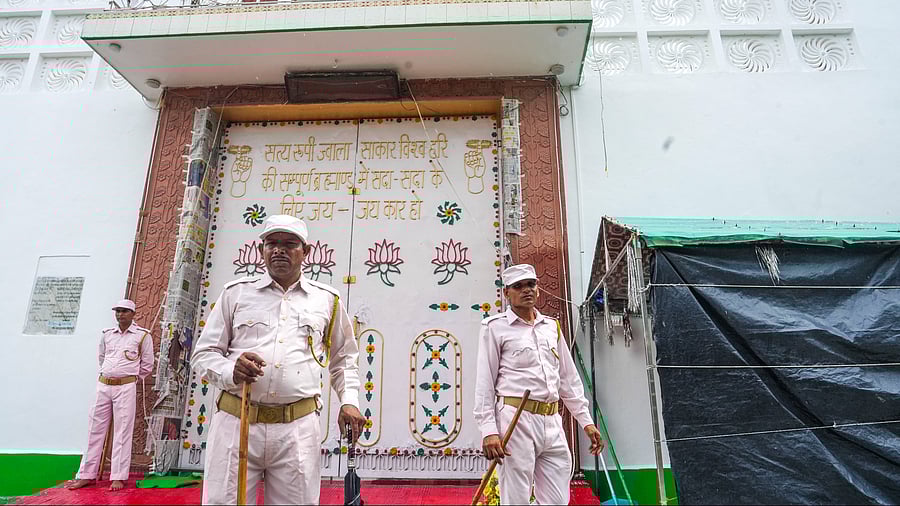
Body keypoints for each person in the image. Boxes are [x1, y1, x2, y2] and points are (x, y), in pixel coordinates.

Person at [192, 214, 366, 505]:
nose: (279, 250)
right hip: (237, 423)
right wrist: (230, 369)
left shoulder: (327, 300)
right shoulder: (235, 294)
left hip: (297, 430)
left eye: (289, 244)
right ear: (261, 250)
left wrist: (349, 401)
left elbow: (344, 359)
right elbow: (203, 355)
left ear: (306, 252)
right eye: (271, 243)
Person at [474, 264, 606, 505]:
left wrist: (586, 421)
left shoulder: (551, 327)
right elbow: (484, 382)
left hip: (552, 420)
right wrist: (489, 431)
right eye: (518, 286)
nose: (526, 290)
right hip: (516, 420)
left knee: (556, 500)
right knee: (516, 498)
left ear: (538, 289)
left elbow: (568, 379)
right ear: (507, 293)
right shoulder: (494, 327)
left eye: (531, 284)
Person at [67, 299, 154, 491]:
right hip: (104, 384)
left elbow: (147, 364)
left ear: (133, 314)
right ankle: (86, 474)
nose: (120, 314)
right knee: (94, 429)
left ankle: (118, 476)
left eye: (124, 311)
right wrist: (110, 373)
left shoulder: (142, 336)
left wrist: (129, 378)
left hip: (126, 386)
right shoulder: (107, 334)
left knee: (123, 431)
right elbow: (102, 357)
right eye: (117, 311)